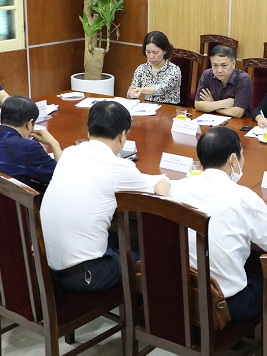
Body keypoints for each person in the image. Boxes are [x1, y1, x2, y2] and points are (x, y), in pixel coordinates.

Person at [40, 101, 170, 294]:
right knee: (155, 259)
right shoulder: (119, 167)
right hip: (85, 275)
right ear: (122, 135)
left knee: (118, 238)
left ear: (89, 131)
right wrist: (164, 182)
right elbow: (157, 195)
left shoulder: (69, 154)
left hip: (47, 268)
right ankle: (142, 310)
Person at [167, 127, 267, 321]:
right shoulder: (244, 197)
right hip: (225, 305)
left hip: (182, 292)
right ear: (233, 159)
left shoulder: (178, 188)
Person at [0, 95, 62, 220]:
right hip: (9, 226)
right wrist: (54, 144)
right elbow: (61, 179)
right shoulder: (28, 148)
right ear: (30, 124)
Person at [194, 45, 252, 118]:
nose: (219, 70)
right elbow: (198, 105)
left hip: (237, 122)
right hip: (212, 119)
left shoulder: (243, 79)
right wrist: (222, 103)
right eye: (215, 65)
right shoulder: (207, 75)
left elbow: (238, 113)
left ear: (233, 64)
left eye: (224, 65)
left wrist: (211, 105)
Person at [126, 30, 182, 105]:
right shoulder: (141, 69)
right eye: (148, 52)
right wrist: (131, 94)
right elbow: (132, 91)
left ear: (165, 51)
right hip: (147, 107)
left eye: (155, 53)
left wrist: (141, 90)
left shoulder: (174, 70)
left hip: (168, 107)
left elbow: (160, 89)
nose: (151, 56)